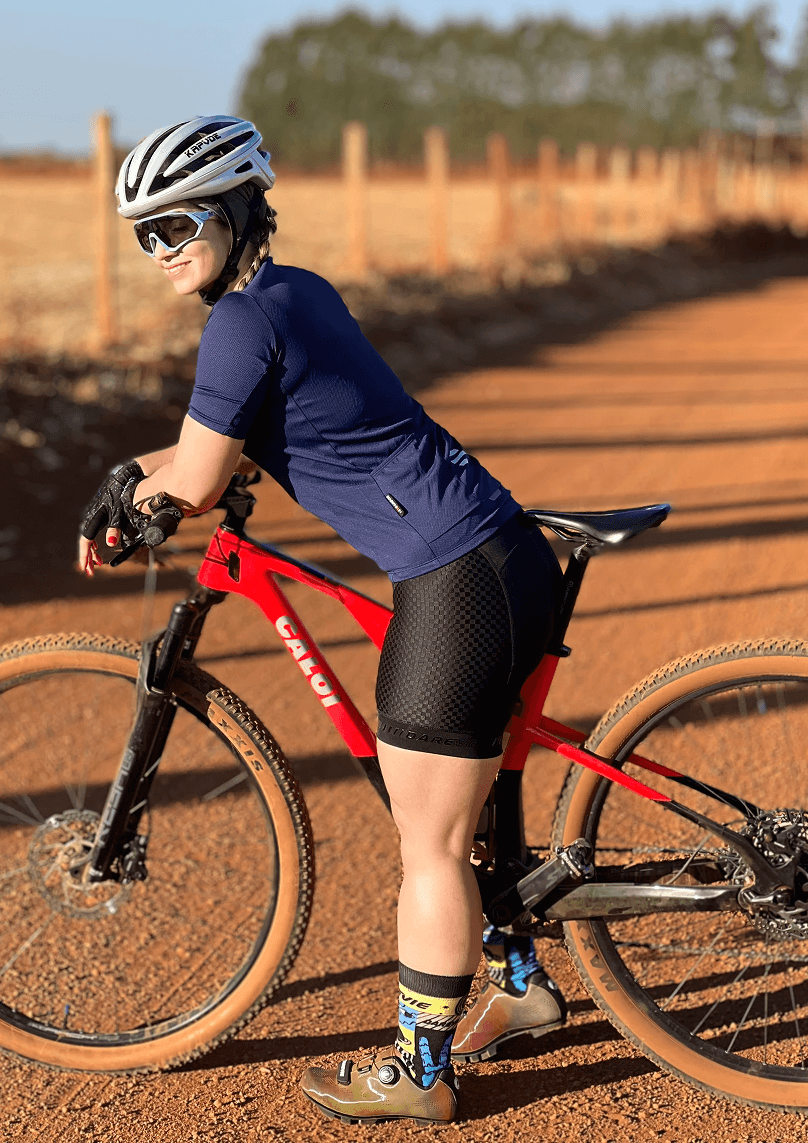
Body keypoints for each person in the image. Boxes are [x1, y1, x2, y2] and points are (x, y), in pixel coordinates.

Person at [78, 116, 567, 1125]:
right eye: (143, 236)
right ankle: (519, 984)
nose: (161, 252)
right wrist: (134, 476)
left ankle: (422, 1072)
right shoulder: (294, 292)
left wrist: (139, 507)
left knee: (426, 843)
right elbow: (245, 433)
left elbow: (205, 475)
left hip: (453, 575)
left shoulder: (239, 322)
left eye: (174, 226)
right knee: (460, 806)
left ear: (228, 209)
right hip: (494, 551)